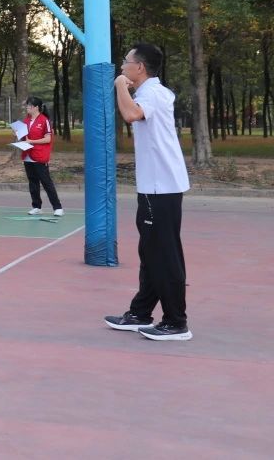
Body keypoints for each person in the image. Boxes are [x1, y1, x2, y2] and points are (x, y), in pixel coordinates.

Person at [105, 43, 193, 341]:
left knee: (163, 254)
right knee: (151, 251)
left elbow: (131, 114)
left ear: (139, 67)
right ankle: (140, 312)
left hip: (161, 187)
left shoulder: (152, 94)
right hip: (156, 186)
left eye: (125, 62)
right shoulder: (151, 92)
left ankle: (176, 322)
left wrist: (120, 85)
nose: (122, 66)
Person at [18, 96, 63, 216]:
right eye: (27, 105)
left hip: (39, 155)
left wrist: (31, 141)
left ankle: (57, 207)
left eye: (29, 106)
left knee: (46, 182)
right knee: (32, 182)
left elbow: (48, 139)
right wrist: (18, 134)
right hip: (28, 155)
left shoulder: (44, 120)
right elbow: (24, 137)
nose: (27, 108)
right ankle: (36, 206)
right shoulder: (26, 120)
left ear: (36, 107)